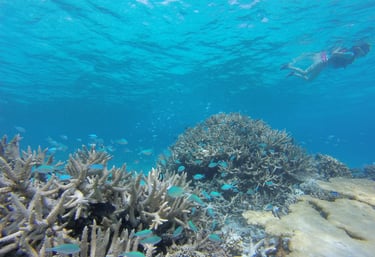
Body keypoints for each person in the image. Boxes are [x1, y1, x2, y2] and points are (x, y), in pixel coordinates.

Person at [281, 43, 370, 81]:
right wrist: (325, 56)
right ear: (359, 50)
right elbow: (335, 53)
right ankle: (288, 66)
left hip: (324, 65)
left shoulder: (352, 57)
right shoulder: (350, 55)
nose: (363, 56)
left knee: (309, 80)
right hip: (323, 62)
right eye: (364, 53)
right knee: (305, 73)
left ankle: (293, 74)